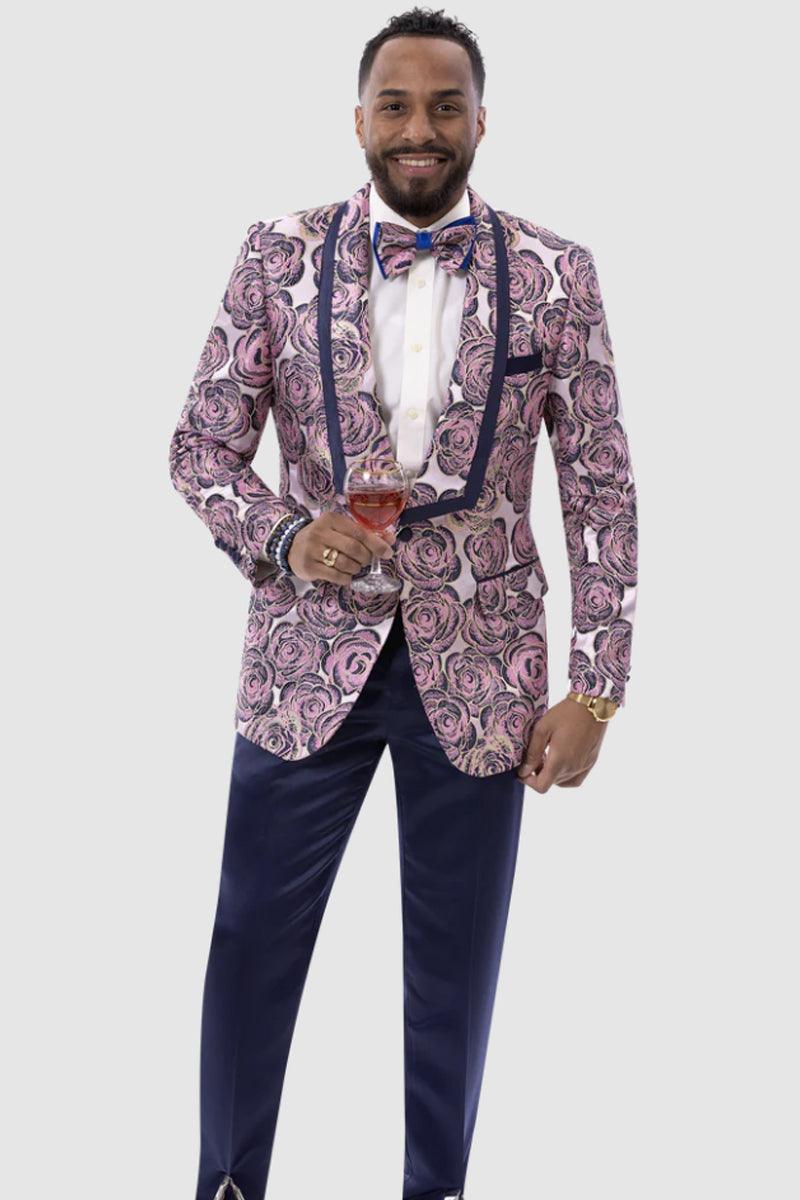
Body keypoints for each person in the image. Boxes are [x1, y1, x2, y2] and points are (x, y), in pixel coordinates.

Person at [169, 9, 638, 1199]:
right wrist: (287, 535)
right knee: (249, 944)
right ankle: (226, 1185)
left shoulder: (555, 271)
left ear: (480, 120)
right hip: (302, 666)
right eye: (395, 105)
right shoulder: (276, 255)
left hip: (484, 674)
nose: (418, 129)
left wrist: (595, 688)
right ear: (358, 120)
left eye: (443, 106)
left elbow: (598, 488)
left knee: (452, 974)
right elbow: (200, 449)